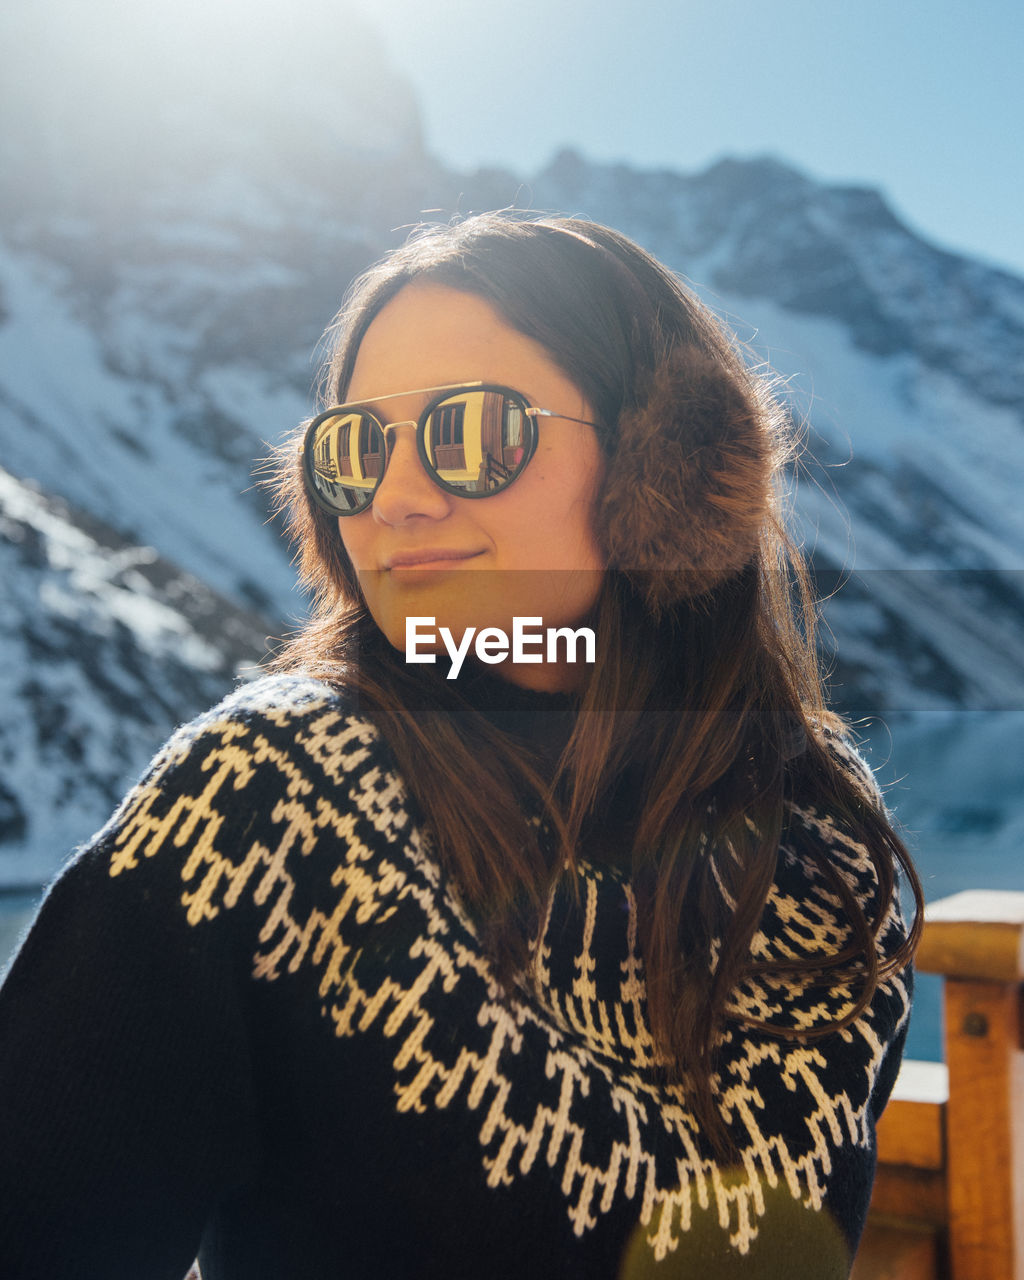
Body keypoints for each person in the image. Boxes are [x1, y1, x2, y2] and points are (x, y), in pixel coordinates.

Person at [0, 213, 921, 1279]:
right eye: (351, 450)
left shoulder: (822, 833)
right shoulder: (258, 811)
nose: (391, 497)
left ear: (664, 467)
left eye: (472, 433)